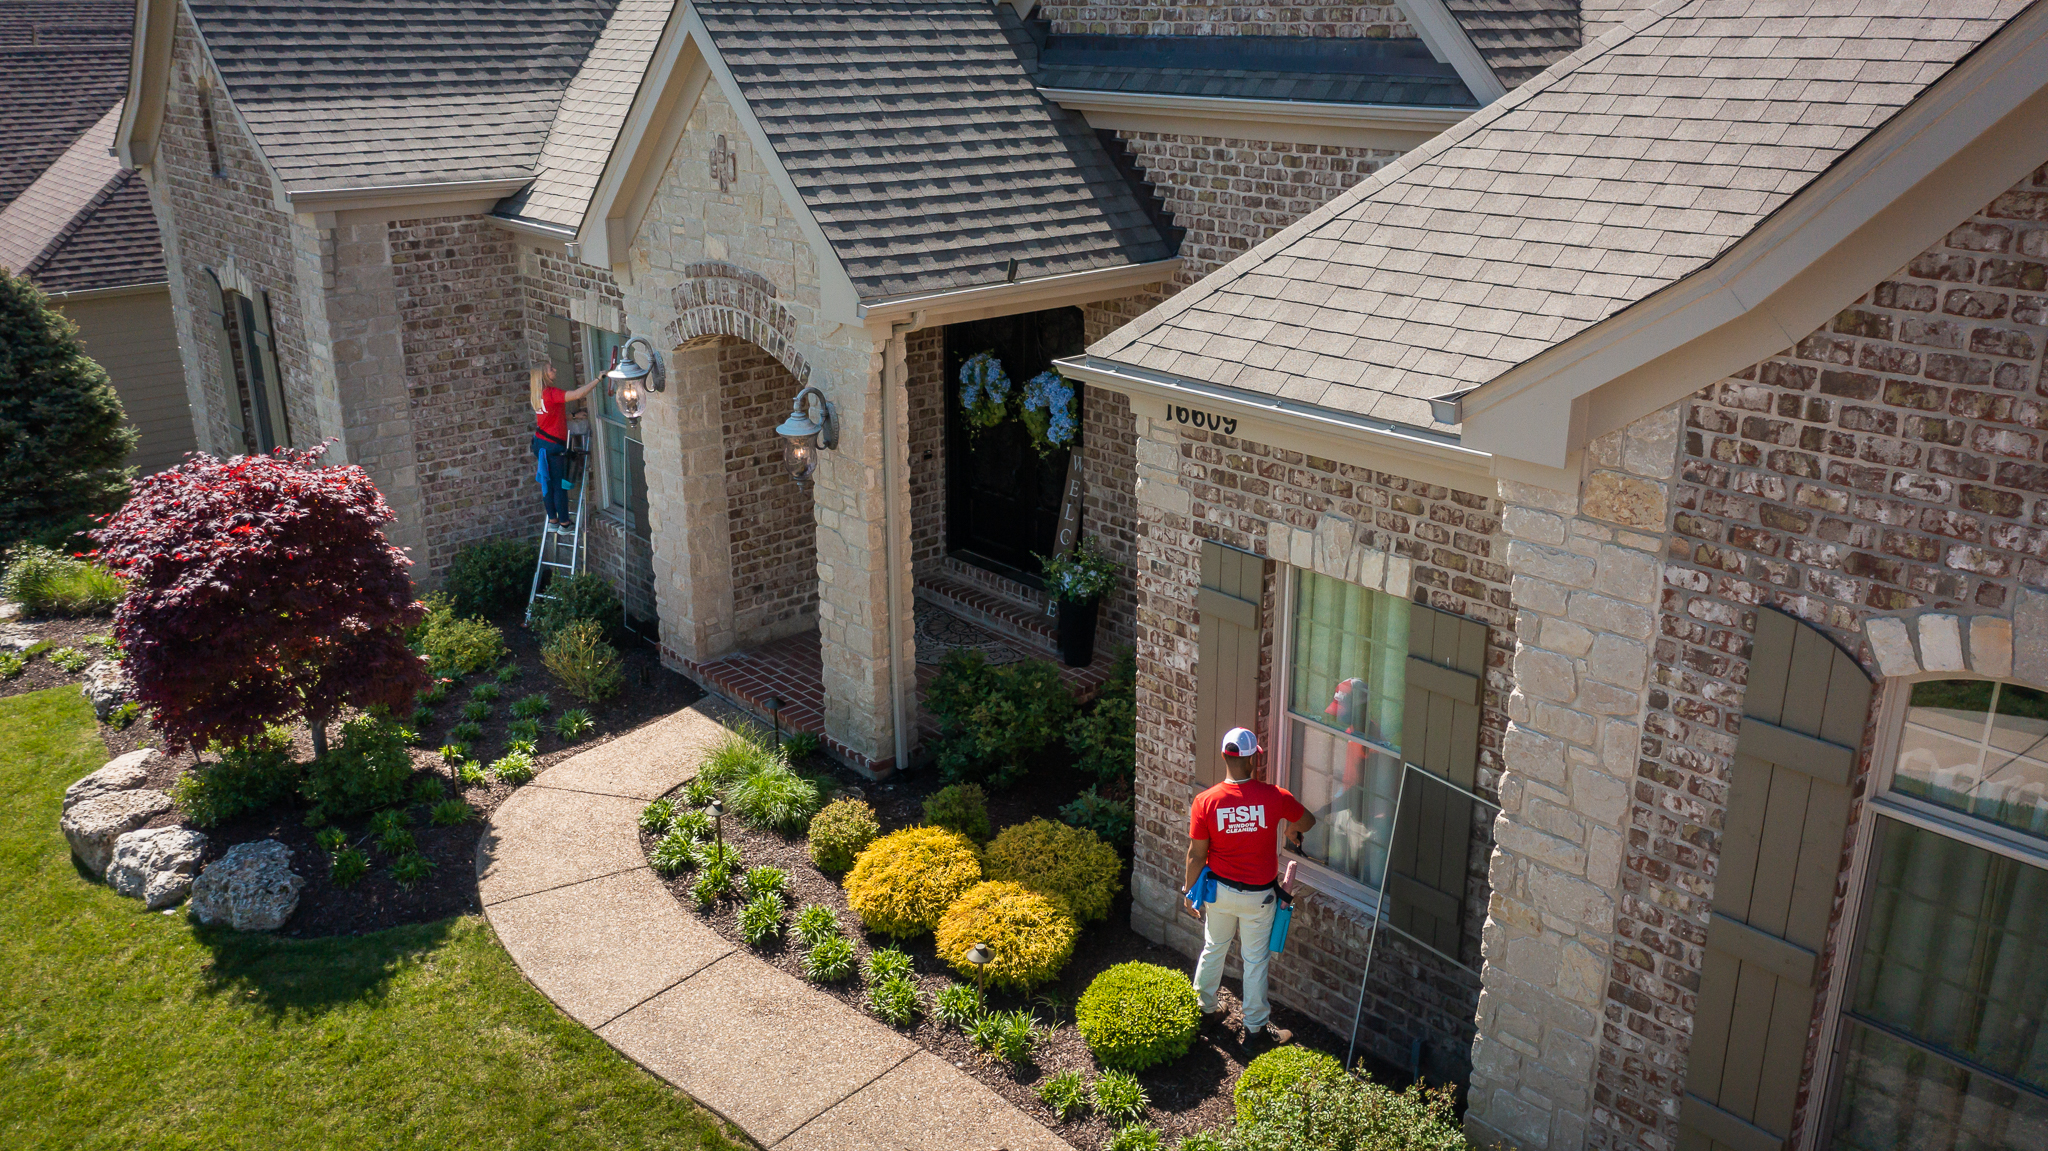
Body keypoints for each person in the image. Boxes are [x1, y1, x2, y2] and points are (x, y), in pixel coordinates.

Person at [1183, 726, 1316, 1044]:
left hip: (1219, 893)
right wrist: (1290, 828)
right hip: (1259, 898)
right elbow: (1308, 821)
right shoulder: (1274, 797)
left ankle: (1204, 1011)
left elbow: (1196, 855)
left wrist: (1189, 893)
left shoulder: (1205, 801)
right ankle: (1255, 1032)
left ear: (1224, 756)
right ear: (1252, 759)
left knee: (1214, 947)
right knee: (1255, 961)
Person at [530, 362, 602, 527]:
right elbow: (578, 394)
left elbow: (552, 416)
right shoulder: (551, 393)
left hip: (540, 443)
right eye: (551, 369)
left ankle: (553, 519)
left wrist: (573, 416)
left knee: (547, 484)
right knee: (559, 485)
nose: (554, 369)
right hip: (553, 445)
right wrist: (598, 379)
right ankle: (564, 522)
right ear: (544, 375)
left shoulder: (537, 394)